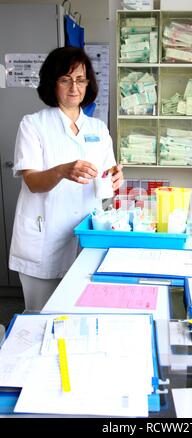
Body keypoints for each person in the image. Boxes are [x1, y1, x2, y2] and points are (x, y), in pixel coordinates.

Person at [9, 46, 123, 311]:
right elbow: (32, 182)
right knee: (40, 314)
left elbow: (107, 181)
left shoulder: (97, 128)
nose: (74, 87)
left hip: (86, 237)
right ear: (53, 83)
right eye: (65, 79)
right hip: (44, 238)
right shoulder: (33, 124)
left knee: (80, 311)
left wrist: (116, 181)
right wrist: (61, 171)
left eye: (81, 79)